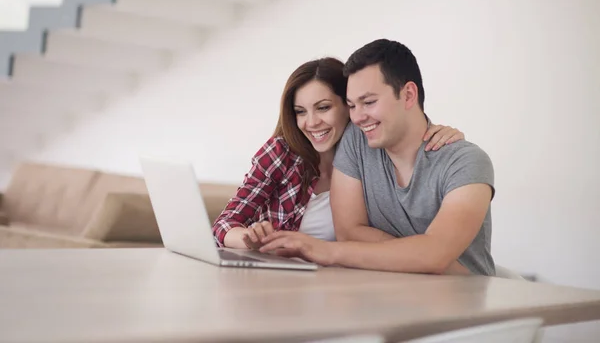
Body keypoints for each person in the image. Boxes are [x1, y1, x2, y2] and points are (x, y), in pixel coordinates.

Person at [259, 39, 496, 276]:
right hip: (385, 292)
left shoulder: (466, 162)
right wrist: (418, 253)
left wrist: (327, 251)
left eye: (369, 102)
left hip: (462, 302)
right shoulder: (357, 141)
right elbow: (349, 233)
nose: (358, 117)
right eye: (352, 105)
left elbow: (434, 255)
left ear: (409, 95)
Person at [212, 57, 466, 249]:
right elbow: (223, 225)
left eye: (323, 108)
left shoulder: (374, 153)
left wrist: (440, 135)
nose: (311, 122)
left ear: (349, 105)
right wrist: (250, 239)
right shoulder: (281, 153)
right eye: (300, 111)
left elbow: (405, 133)